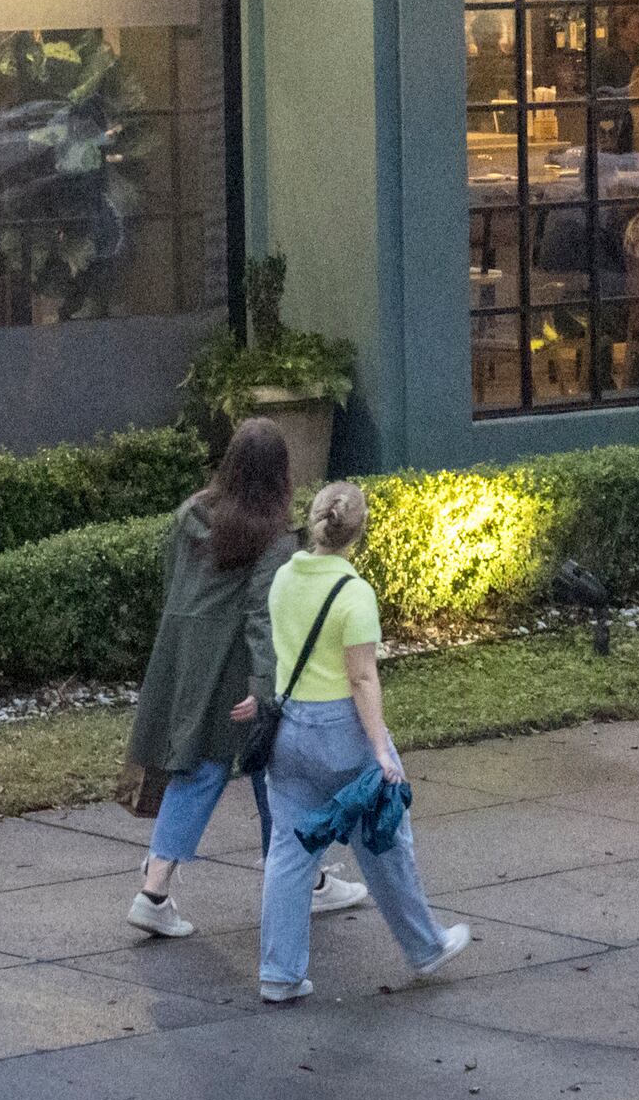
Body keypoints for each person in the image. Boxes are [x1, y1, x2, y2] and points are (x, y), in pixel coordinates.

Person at [119, 416, 368, 937]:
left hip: (183, 658)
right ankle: (302, 878)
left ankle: (156, 889)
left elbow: (174, 585)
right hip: (234, 668)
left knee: (197, 770)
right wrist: (262, 688)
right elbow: (262, 617)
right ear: (279, 475)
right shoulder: (273, 538)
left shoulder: (190, 513)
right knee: (272, 769)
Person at [255, 479, 469, 1004]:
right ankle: (424, 946)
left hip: (289, 731)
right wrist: (379, 751)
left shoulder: (283, 578)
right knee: (385, 837)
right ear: (360, 532)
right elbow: (362, 679)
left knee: (290, 849)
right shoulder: (355, 594)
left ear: (313, 521)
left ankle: (279, 974)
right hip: (343, 732)